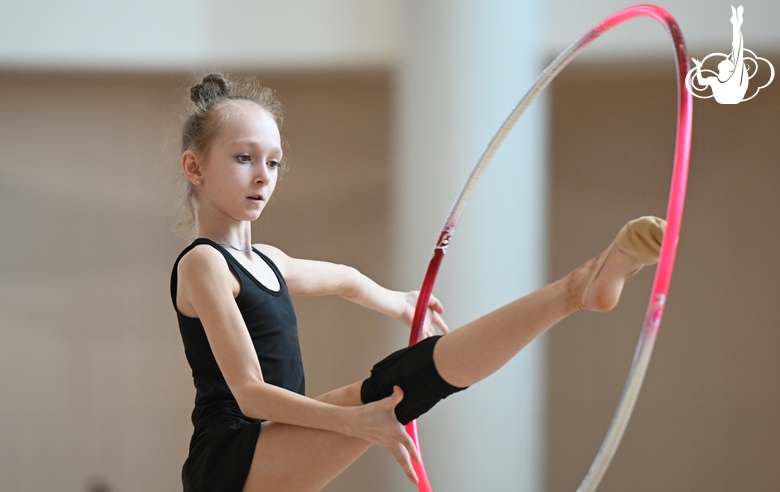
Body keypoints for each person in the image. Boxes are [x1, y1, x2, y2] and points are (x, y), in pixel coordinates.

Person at [170, 73, 666, 492]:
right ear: (195, 166)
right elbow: (251, 392)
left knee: (392, 390)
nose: (264, 175)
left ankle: (578, 288)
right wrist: (353, 422)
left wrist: (399, 303)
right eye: (244, 158)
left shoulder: (268, 261)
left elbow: (345, 280)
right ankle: (574, 290)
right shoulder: (203, 265)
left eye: (273, 161)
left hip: (272, 435)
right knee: (387, 396)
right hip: (230, 459)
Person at [692, 5, 748, 104]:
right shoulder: (715, 80)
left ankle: (736, 24)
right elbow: (701, 82)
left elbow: (737, 49)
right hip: (728, 98)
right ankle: (736, 23)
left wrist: (698, 67)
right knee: (736, 49)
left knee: (737, 50)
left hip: (732, 98)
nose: (725, 59)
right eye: (728, 60)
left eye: (727, 61)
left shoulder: (733, 79)